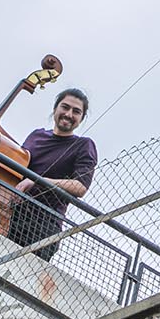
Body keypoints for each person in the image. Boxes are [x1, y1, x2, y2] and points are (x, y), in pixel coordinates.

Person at [7, 88, 97, 261]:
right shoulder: (36, 136)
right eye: (65, 107)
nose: (69, 114)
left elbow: (80, 187)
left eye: (76, 112)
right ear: (55, 109)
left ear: (81, 118)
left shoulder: (83, 145)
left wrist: (38, 180)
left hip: (42, 226)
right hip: (12, 213)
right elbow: (17, 163)